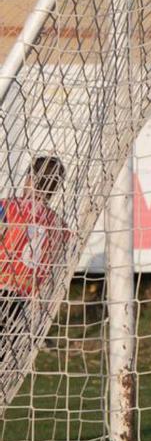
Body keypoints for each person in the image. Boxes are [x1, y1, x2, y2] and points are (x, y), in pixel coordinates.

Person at [0, 156, 69, 371]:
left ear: (29, 179)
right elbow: (52, 264)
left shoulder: (9, 207)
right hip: (22, 304)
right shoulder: (59, 226)